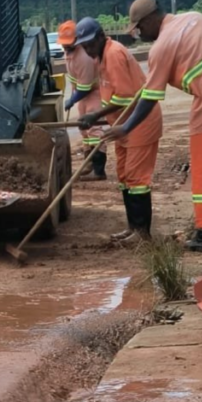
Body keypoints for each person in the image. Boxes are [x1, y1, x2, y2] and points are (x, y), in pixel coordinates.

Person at [103, 0, 202, 253]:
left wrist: (126, 127)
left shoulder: (161, 47)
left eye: (139, 28)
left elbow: (149, 97)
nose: (139, 34)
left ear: (149, 20)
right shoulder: (196, 18)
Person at [76, 17, 163, 243]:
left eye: (89, 44)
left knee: (137, 179)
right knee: (125, 177)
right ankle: (133, 228)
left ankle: (143, 233)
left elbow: (124, 96)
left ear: (100, 36)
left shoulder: (114, 54)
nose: (87, 49)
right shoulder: (100, 57)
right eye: (83, 46)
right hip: (122, 126)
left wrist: (95, 116)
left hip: (139, 123)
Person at [58, 20, 107, 181]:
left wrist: (71, 100)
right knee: (84, 130)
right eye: (64, 44)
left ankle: (99, 171)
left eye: (69, 44)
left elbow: (85, 87)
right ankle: (88, 164)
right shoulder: (69, 52)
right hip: (82, 96)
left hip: (92, 94)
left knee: (95, 131)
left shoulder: (84, 57)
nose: (66, 47)